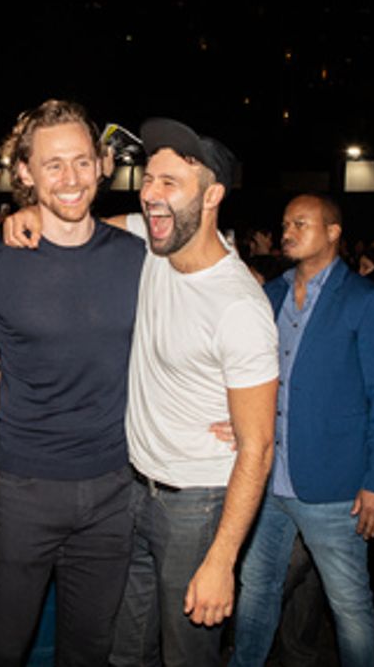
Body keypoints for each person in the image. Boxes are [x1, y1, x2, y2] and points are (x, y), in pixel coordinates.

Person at [0, 100, 145, 667]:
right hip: (27, 491)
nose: (70, 179)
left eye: (81, 162)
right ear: (24, 173)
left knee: (89, 653)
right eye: (52, 165)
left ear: (102, 165)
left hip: (117, 490)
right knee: (1, 648)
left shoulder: (139, 258)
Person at [104, 119, 278, 667]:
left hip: (197, 508)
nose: (152, 194)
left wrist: (222, 559)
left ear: (212, 196)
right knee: (125, 655)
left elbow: (258, 446)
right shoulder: (156, 242)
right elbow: (79, 228)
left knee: (188, 656)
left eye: (170, 183)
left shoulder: (238, 305)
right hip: (136, 491)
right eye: (148, 179)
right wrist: (28, 223)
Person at [230, 194, 374, 667]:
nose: (287, 231)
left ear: (332, 232)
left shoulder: (367, 299)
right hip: (266, 480)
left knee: (349, 606)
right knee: (256, 592)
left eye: (300, 223)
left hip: (334, 486)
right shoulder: (271, 295)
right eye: (284, 223)